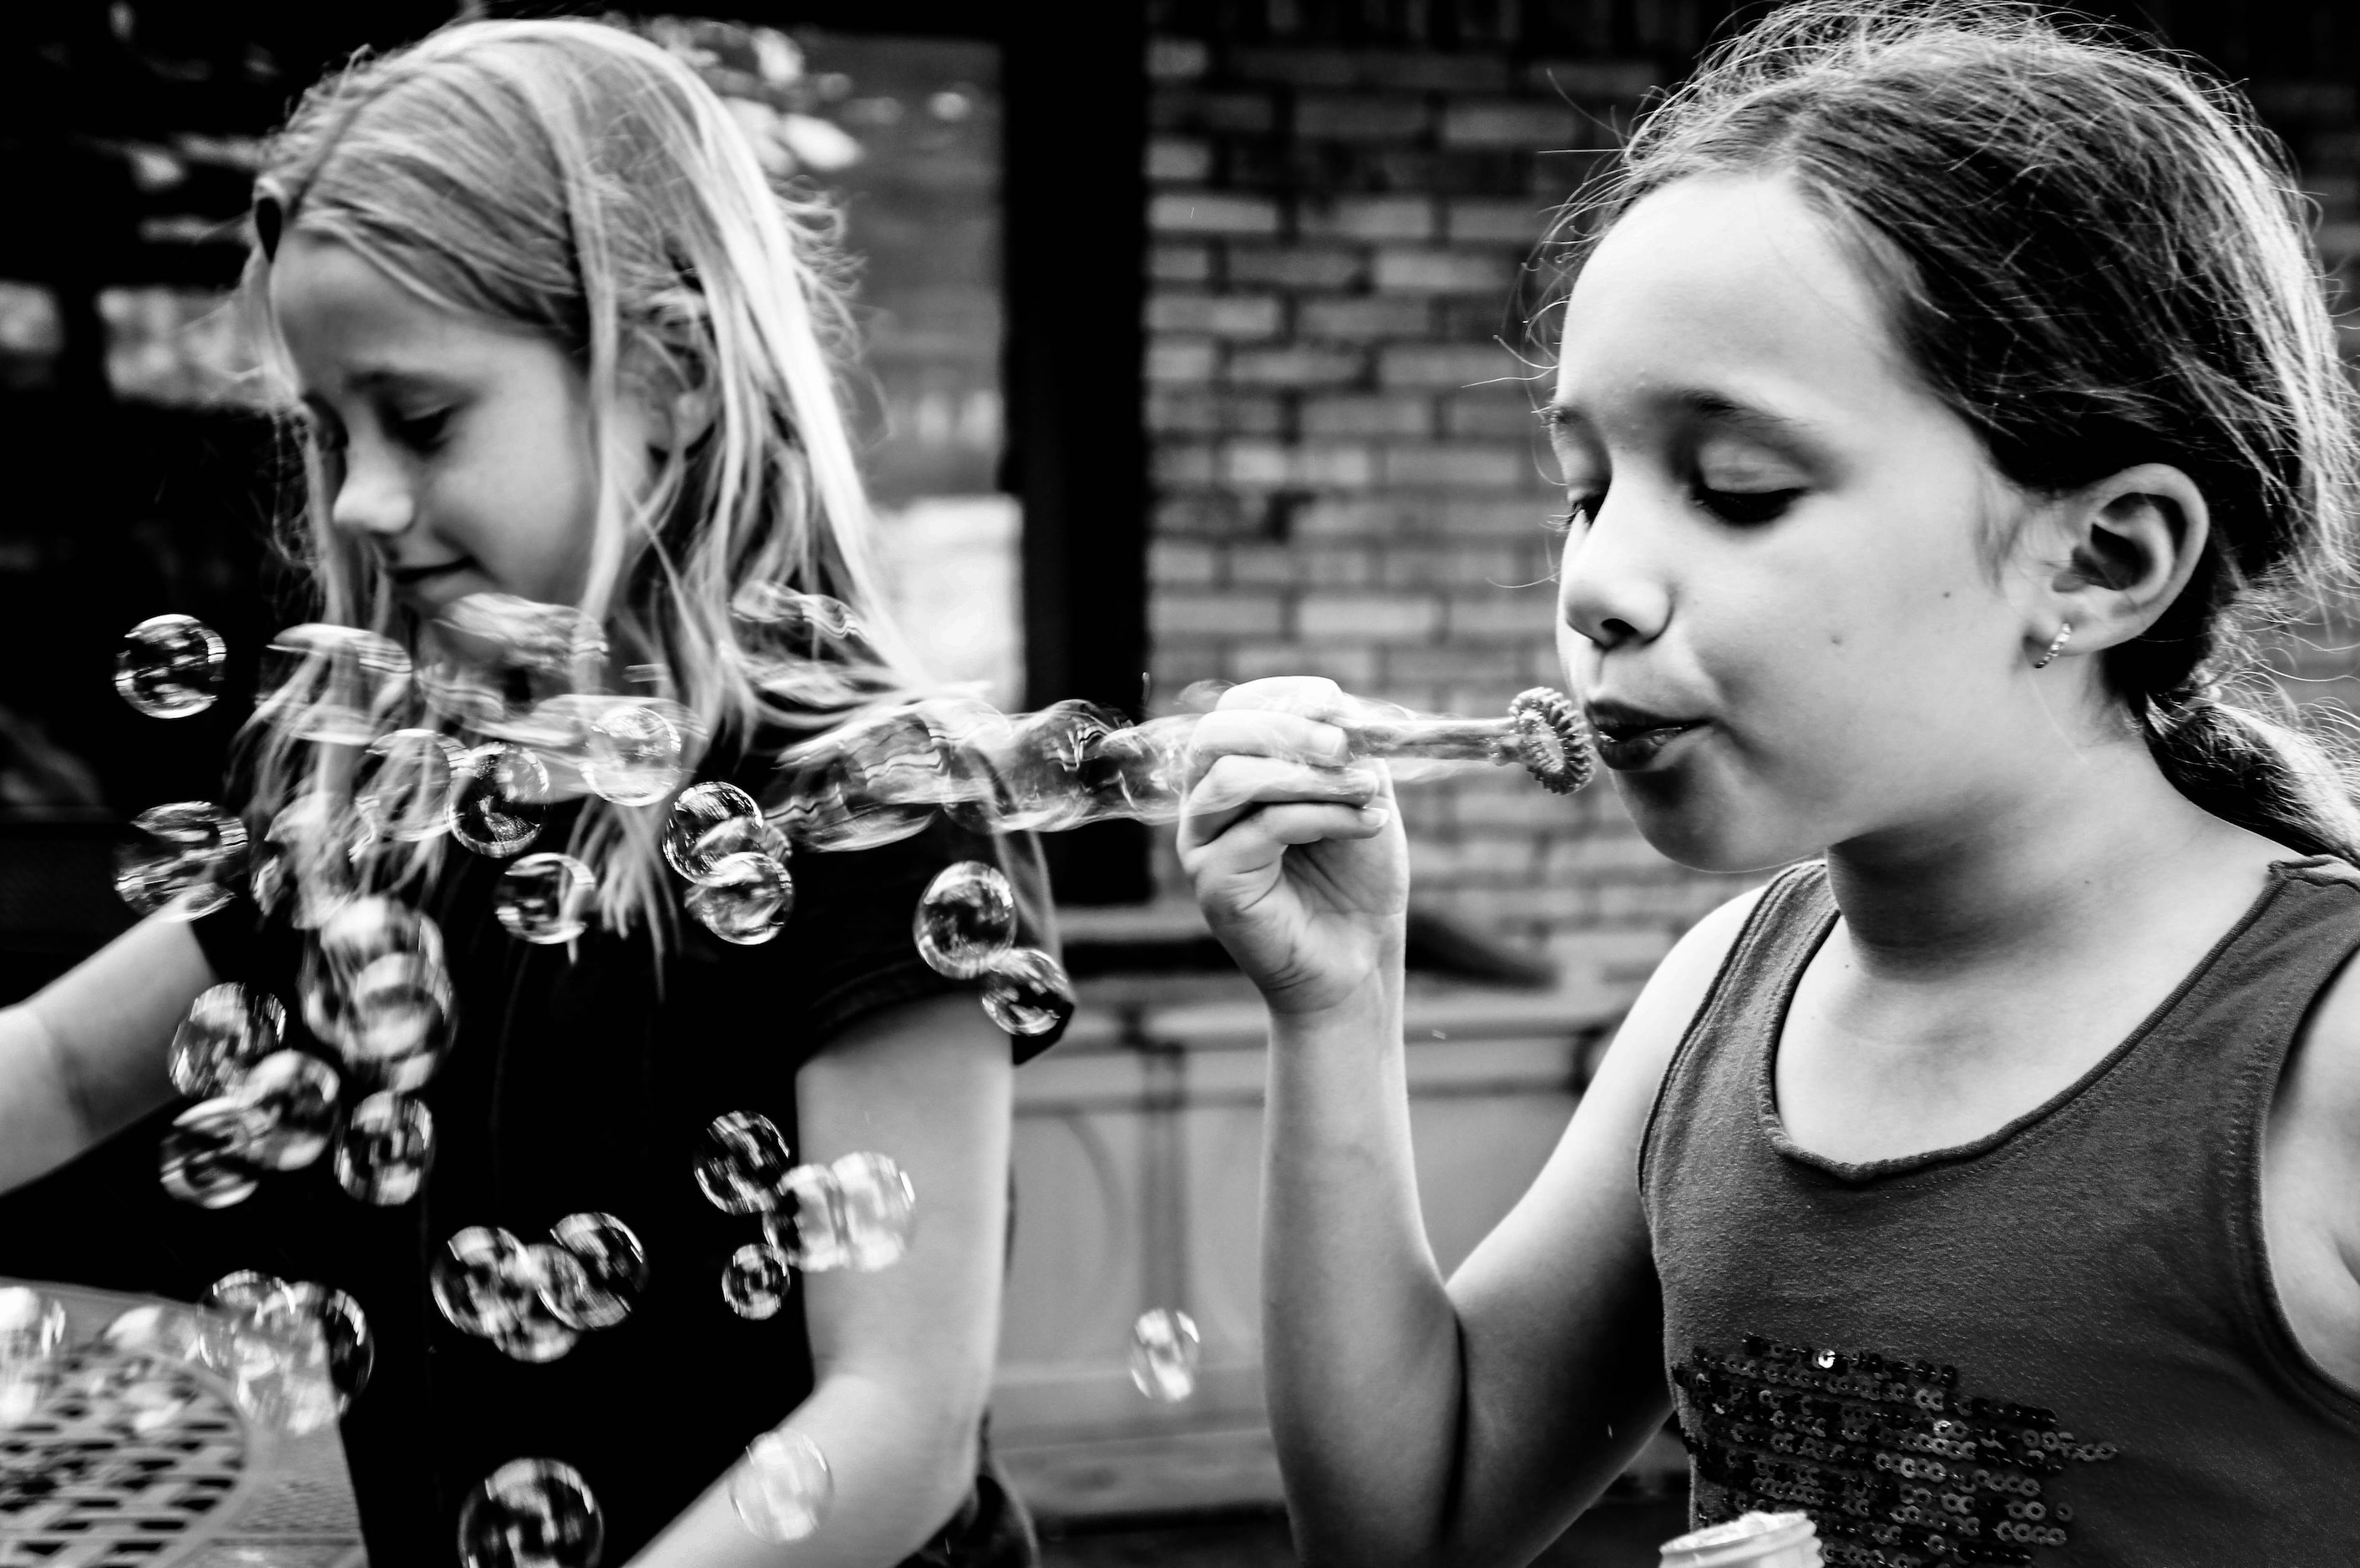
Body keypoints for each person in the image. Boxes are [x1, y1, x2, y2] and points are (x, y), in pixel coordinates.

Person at [1179, 4, 2360, 1565]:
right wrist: (1333, 1006)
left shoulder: (2322, 1050)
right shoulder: (1723, 996)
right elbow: (1413, 1518)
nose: (1598, 581)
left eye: (1736, 490)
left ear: (2100, 558)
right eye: (1582, 491)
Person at [0, 18, 1052, 1567]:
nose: (359, 494)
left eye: (420, 420)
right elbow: (67, 1069)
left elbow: (895, 1421)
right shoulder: (372, 785)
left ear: (671, 377)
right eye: (328, 428)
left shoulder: (862, 805)